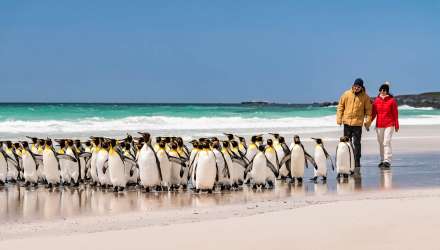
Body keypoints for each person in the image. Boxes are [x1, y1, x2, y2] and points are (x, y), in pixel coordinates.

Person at [336, 78, 372, 169]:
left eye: (358, 87)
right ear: (353, 85)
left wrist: (367, 122)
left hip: (357, 124)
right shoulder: (346, 94)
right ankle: (348, 160)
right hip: (347, 123)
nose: (356, 88)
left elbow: (368, 111)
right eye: (355, 86)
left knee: (357, 143)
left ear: (361, 87)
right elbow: (340, 106)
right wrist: (339, 118)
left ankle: (356, 161)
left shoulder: (365, 97)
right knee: (347, 143)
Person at [370, 82, 399, 168]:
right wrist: (368, 123)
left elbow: (395, 114)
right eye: (381, 90)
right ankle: (382, 160)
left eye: (385, 90)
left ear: (387, 91)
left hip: (389, 124)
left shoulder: (392, 101)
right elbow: (373, 114)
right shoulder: (376, 101)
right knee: (380, 142)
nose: (383, 91)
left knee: (386, 142)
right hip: (379, 125)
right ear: (379, 90)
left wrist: (396, 125)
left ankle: (387, 160)